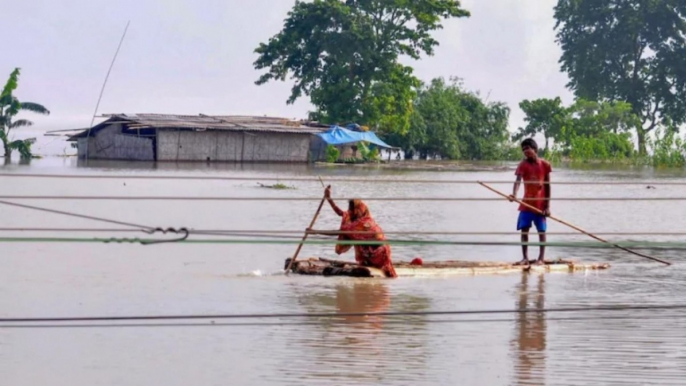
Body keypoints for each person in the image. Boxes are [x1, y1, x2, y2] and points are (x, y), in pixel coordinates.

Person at [310, 186, 397, 278]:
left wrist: (315, 232)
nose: (350, 212)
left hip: (380, 254)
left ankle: (375, 265)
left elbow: (340, 231)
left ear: (358, 210)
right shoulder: (355, 219)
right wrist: (329, 198)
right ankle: (368, 263)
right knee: (358, 242)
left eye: (352, 209)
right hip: (369, 253)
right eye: (350, 209)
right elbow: (341, 213)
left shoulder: (364, 224)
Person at [509, 138, 552, 265]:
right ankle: (525, 258)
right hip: (526, 204)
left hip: (540, 205)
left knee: (541, 231)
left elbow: (548, 186)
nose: (525, 152)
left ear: (535, 149)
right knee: (524, 230)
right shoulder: (523, 165)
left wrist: (547, 206)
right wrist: (514, 194)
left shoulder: (545, 165)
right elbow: (518, 180)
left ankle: (541, 258)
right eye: (523, 150)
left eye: (527, 149)